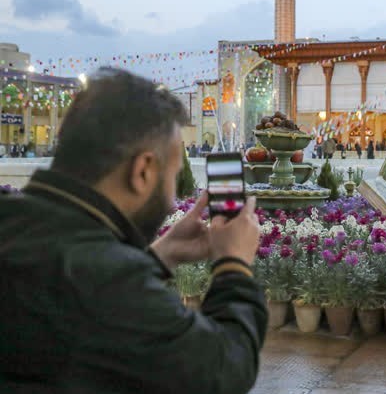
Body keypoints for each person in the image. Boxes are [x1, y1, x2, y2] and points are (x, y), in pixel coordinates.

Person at [0, 68, 267, 393]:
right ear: (142, 171)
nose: (172, 196)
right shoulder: (109, 282)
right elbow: (221, 369)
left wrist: (159, 256)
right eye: (173, 174)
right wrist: (234, 268)